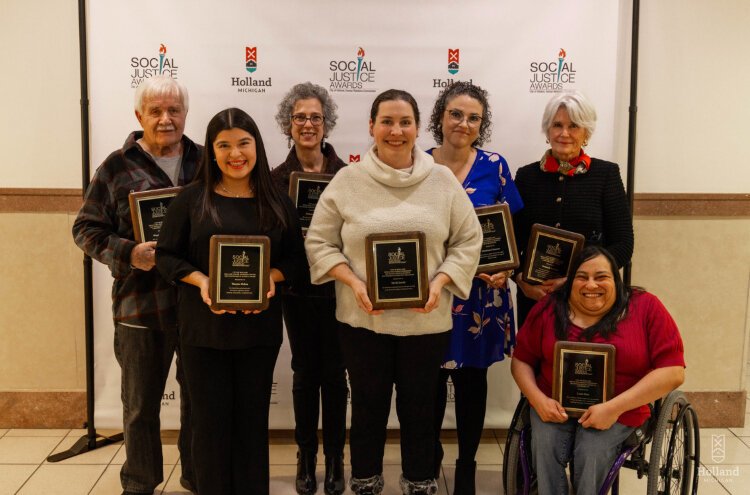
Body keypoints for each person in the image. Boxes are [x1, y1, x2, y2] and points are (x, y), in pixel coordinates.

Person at [305, 89, 483, 495]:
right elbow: (319, 242)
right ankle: (365, 482)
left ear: (418, 128)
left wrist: (440, 282)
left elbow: (468, 240)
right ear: (371, 127)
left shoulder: (441, 180)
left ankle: (420, 482)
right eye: (386, 121)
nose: (396, 130)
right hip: (362, 321)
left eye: (405, 122)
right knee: (367, 408)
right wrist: (352, 281)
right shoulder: (347, 180)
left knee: (420, 411)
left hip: (426, 322)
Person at [155, 108, 307, 495]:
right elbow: (167, 256)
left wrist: (270, 277)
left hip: (258, 332)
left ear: (256, 145)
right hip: (202, 331)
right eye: (224, 145)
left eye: (243, 143)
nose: (235, 153)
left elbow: (296, 260)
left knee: (252, 423)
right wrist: (203, 281)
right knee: (208, 424)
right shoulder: (191, 199)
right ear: (212, 152)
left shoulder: (277, 201)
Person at [72, 75, 197, 495]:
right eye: (156, 111)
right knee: (141, 406)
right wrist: (129, 253)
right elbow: (85, 229)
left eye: (174, 110)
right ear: (139, 115)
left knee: (199, 402)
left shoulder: (204, 161)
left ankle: (197, 476)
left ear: (185, 114)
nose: (166, 119)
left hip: (199, 304)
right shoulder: (115, 167)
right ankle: (140, 483)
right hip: (140, 309)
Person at [511, 245, 685, 495]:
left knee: (591, 449)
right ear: (570, 282)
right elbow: (521, 360)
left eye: (601, 277)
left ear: (616, 279)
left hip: (621, 409)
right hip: (553, 404)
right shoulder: (549, 308)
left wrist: (613, 408)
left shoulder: (646, 307)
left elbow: (674, 371)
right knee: (545, 443)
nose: (591, 285)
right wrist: (538, 400)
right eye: (582, 277)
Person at [425, 81, 524, 494]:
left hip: (482, 296)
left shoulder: (495, 165)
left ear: (481, 124)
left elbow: (510, 230)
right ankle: (427, 464)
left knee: (471, 386)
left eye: (473, 117)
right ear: (440, 117)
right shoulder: (417, 164)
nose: (463, 123)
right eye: (455, 114)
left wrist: (508, 269)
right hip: (430, 294)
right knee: (426, 386)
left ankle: (466, 466)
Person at [271, 82, 348, 495]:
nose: (307, 124)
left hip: (339, 289)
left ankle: (335, 457)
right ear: (289, 123)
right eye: (300, 117)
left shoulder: (347, 175)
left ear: (326, 123)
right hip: (297, 291)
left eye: (315, 117)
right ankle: (305, 454)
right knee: (304, 373)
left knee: (336, 376)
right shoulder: (274, 179)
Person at [513, 91, 634, 327]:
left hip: (590, 300)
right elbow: (513, 243)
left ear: (586, 132)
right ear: (547, 131)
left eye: (574, 126)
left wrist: (576, 280)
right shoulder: (526, 177)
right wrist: (520, 280)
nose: (564, 133)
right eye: (557, 125)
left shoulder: (606, 175)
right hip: (536, 301)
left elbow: (623, 245)